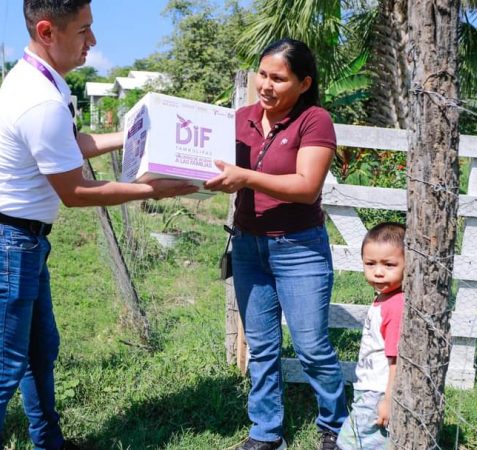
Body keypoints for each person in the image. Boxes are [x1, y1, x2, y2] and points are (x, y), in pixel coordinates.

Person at [0, 1, 197, 449]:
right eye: (84, 30)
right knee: (1, 372)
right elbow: (77, 192)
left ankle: (50, 442)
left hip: (19, 242)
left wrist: (132, 136)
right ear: (48, 31)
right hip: (4, 244)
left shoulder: (44, 80)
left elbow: (70, 144)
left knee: (39, 351)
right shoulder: (39, 100)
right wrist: (153, 190)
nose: (93, 41)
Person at [205, 38, 347, 450]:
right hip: (249, 247)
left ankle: (336, 427)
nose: (265, 85)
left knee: (312, 346)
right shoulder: (241, 118)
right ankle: (266, 433)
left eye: (278, 79)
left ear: (304, 83)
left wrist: (245, 178)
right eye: (262, 75)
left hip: (299, 248)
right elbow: (208, 165)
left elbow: (306, 187)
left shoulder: (314, 120)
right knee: (262, 348)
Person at [336, 222, 406, 450]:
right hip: (368, 388)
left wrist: (388, 399)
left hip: (378, 392)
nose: (378, 271)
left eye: (389, 264)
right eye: (370, 263)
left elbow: (396, 359)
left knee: (350, 442)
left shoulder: (395, 306)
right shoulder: (384, 298)